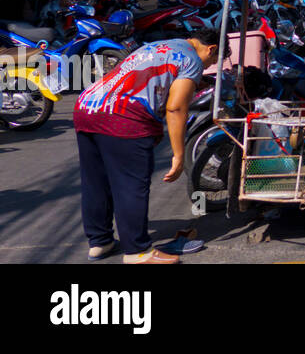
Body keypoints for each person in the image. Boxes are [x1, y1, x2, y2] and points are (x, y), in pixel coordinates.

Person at [73, 26, 225, 263]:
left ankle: (99, 242)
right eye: (211, 61)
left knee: (96, 181)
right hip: (124, 116)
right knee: (131, 185)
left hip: (88, 106)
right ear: (211, 48)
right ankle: (137, 251)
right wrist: (178, 154)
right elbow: (175, 108)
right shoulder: (192, 59)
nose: (206, 67)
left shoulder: (157, 46)